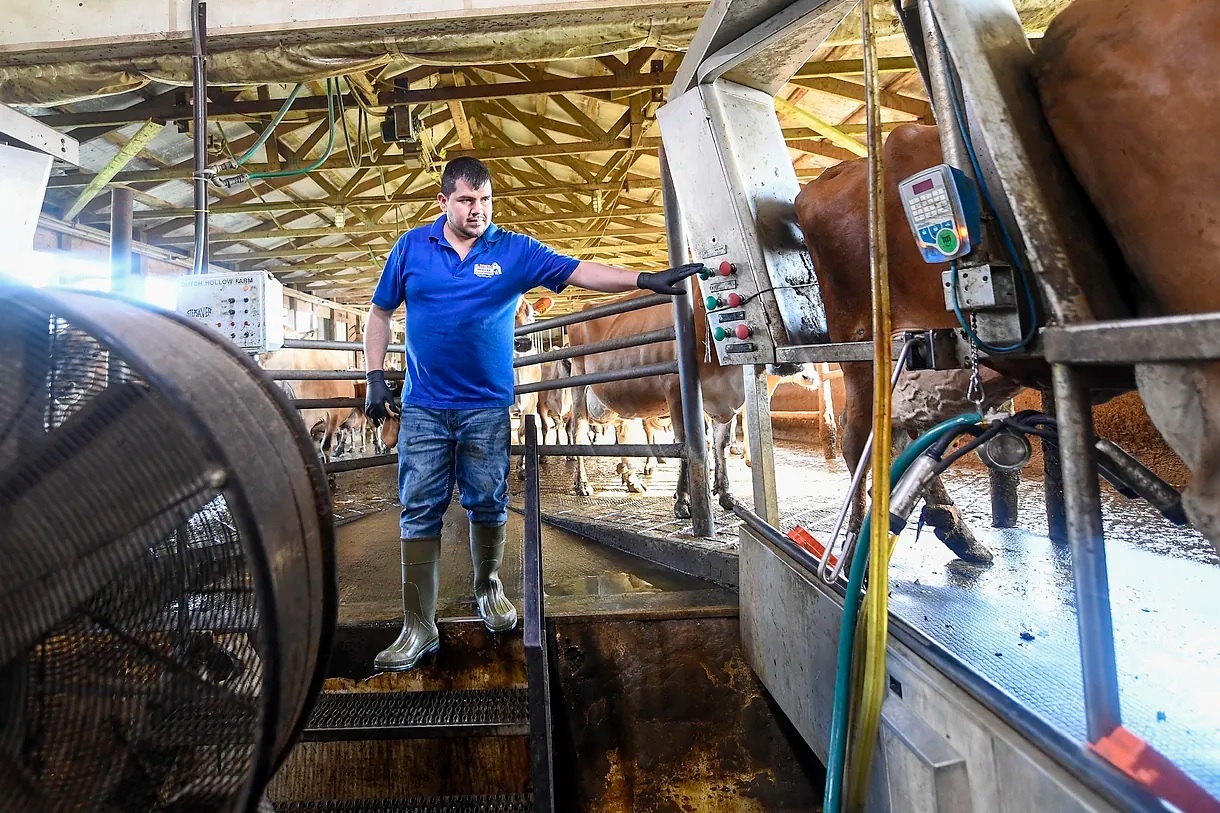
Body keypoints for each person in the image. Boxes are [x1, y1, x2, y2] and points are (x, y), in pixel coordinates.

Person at [362, 156, 699, 671]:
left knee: (488, 501)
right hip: (425, 407)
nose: (479, 211)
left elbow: (577, 269)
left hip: (487, 407)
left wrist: (645, 278)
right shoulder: (411, 247)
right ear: (443, 202)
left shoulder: (514, 249)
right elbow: (380, 312)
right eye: (467, 201)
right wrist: (374, 374)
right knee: (419, 507)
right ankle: (418, 626)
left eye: (486, 201)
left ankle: (488, 590)